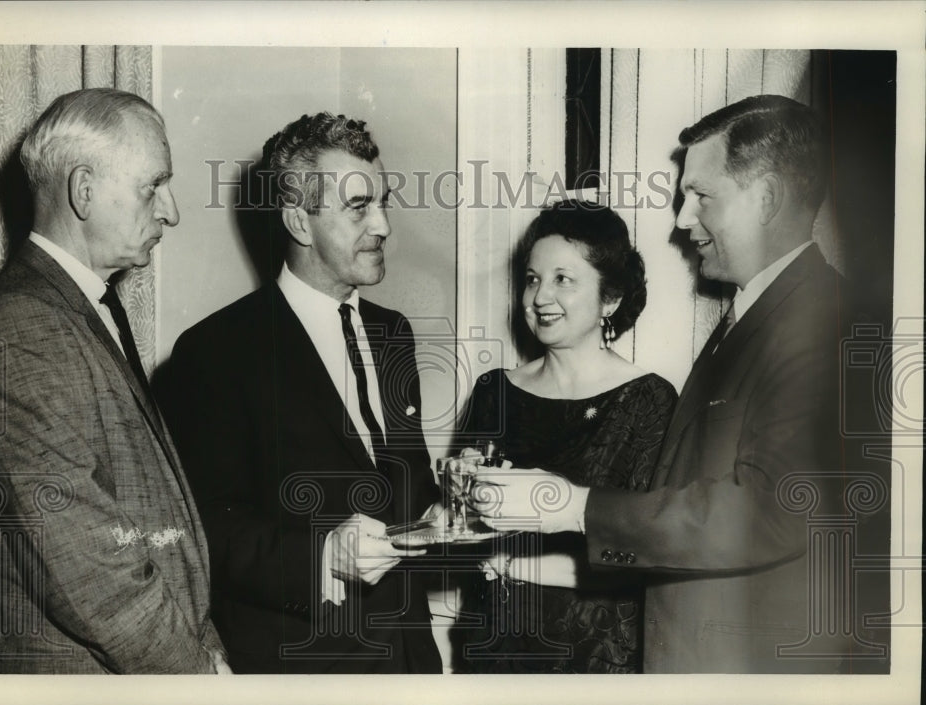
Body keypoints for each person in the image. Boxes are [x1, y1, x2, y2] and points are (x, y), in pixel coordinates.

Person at [470, 95, 857, 673]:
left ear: (766, 199)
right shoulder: (756, 316)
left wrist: (574, 507)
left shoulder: (824, 322)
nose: (681, 219)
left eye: (701, 195)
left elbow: (777, 509)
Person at [162, 112, 443, 673]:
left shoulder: (393, 334)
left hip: (408, 660)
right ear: (298, 220)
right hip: (301, 665)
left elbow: (403, 488)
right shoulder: (216, 350)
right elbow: (203, 526)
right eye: (359, 207)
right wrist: (323, 557)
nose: (384, 225)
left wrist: (448, 512)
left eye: (382, 202)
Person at [0, 88, 228, 673]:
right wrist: (198, 675)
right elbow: (90, 570)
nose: (171, 210)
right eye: (153, 186)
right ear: (83, 189)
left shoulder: (86, 309)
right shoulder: (21, 327)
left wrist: (208, 647)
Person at [453, 201, 677, 673]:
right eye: (532, 279)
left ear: (610, 298)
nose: (539, 297)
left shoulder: (647, 401)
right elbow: (459, 534)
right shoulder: (494, 391)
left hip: (591, 657)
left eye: (563, 279)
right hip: (491, 644)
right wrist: (458, 493)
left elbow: (640, 551)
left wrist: (510, 567)